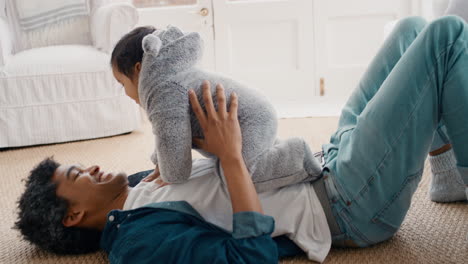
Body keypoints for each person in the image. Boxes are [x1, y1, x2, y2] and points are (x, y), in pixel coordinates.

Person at [14, 15, 468, 262]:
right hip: (344, 205)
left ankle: (446, 176)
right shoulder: (137, 244)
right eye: (77, 174)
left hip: (322, 159)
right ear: (72, 215)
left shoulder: (140, 183)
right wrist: (231, 156)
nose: (92, 166)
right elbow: (247, 257)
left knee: (411, 29)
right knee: (444, 38)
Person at [110, 25, 322, 192]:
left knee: (241, 179)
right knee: (242, 164)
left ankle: (298, 156)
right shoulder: (171, 80)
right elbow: (167, 135)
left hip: (250, 120)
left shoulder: (164, 90)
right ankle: (275, 149)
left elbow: (173, 147)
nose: (126, 93)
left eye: (122, 84)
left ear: (138, 70)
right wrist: (160, 163)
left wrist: (170, 174)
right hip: (254, 115)